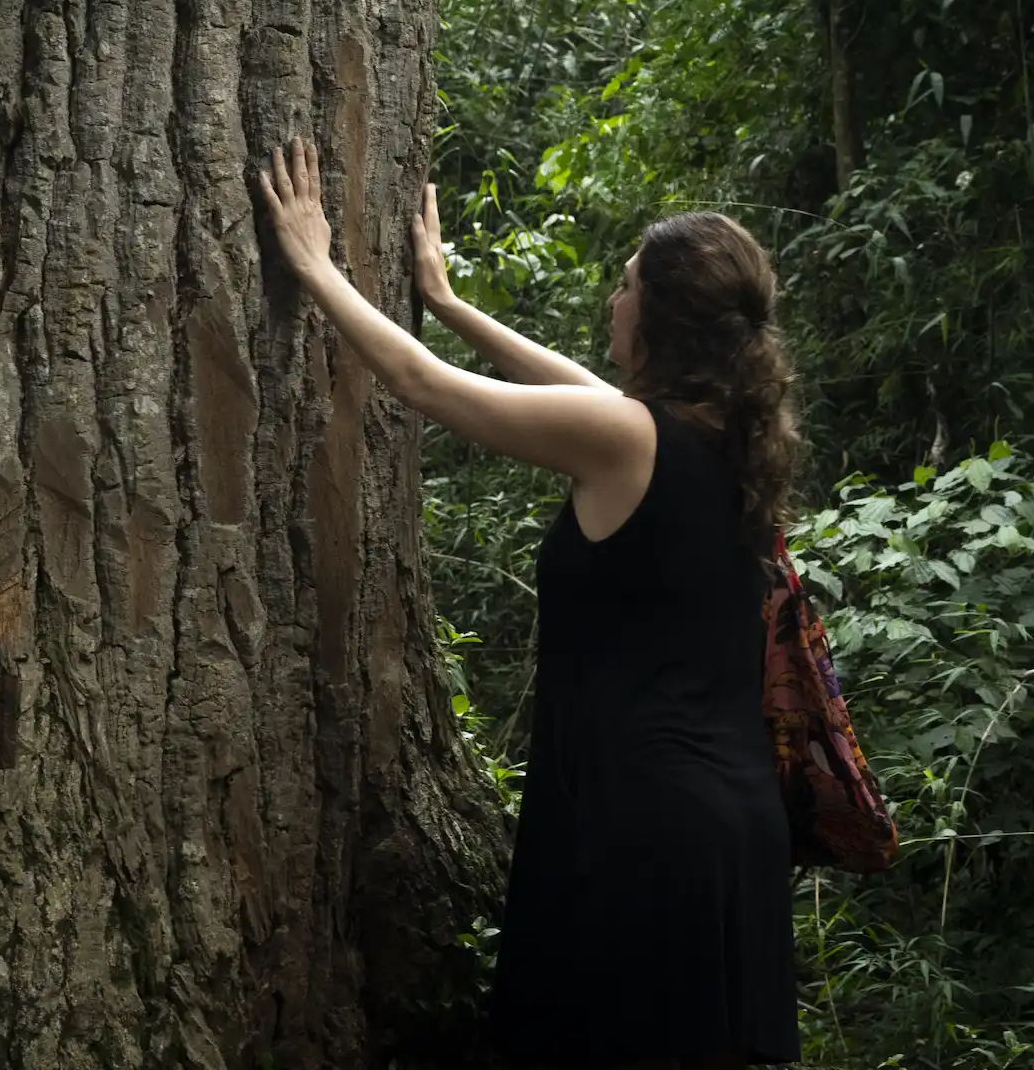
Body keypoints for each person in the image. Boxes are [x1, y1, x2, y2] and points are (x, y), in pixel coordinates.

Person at [258, 138, 801, 1069]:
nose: (612, 300)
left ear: (662, 319)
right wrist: (449, 304)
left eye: (628, 284)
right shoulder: (724, 442)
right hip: (730, 829)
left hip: (644, 828)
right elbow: (572, 386)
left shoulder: (626, 440)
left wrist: (312, 263)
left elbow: (418, 384)